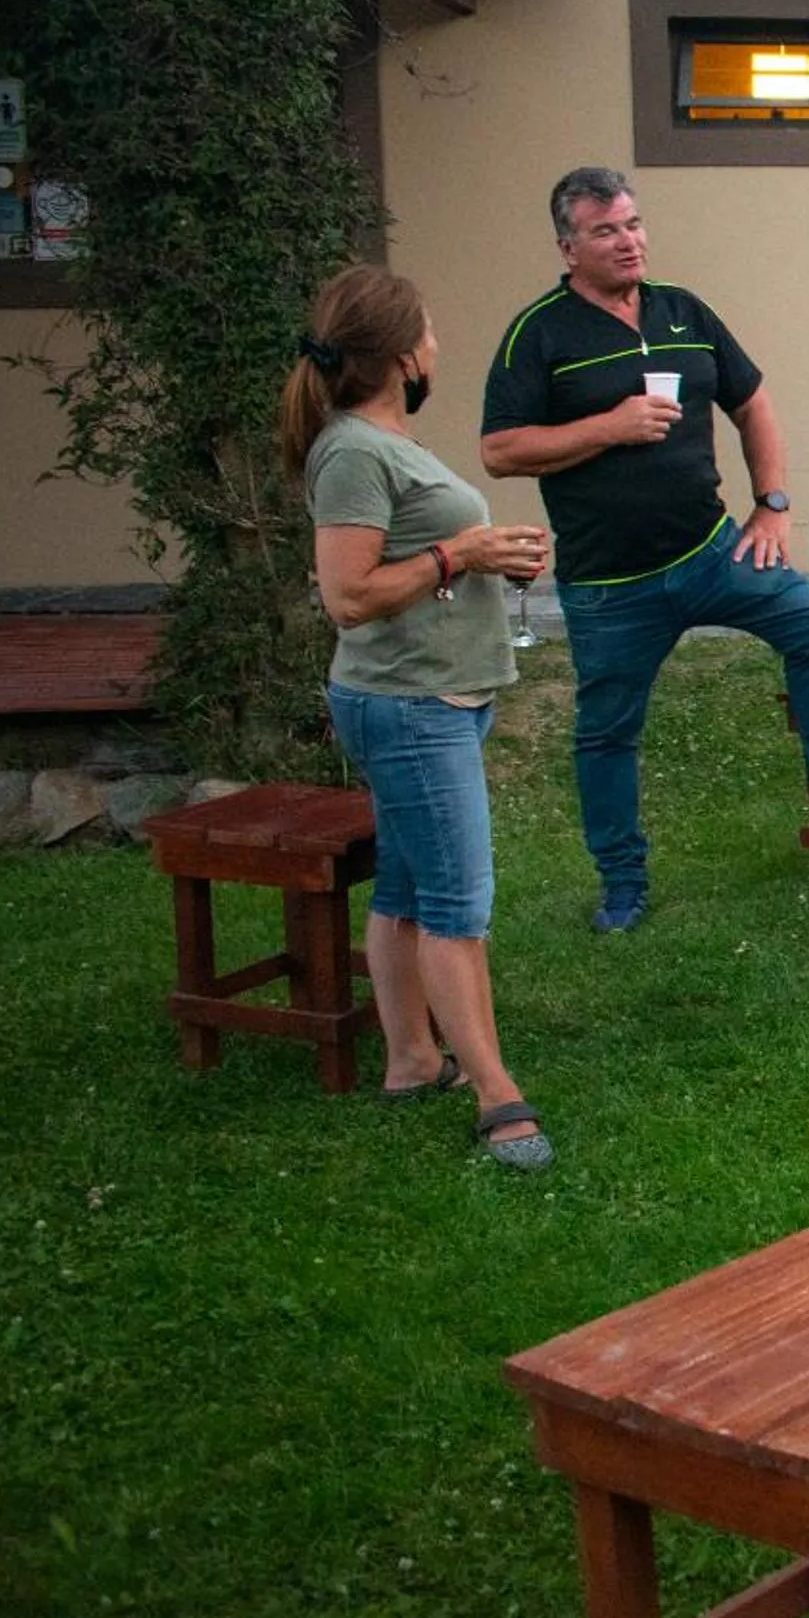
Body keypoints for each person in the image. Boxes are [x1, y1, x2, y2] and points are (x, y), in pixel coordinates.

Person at [480, 167, 809, 933]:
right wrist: (608, 426)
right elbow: (501, 450)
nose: (628, 241)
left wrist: (771, 505)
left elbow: (753, 401)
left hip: (710, 555)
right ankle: (622, 883)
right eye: (606, 230)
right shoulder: (538, 334)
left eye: (634, 224)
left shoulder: (683, 311)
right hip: (610, 586)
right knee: (607, 732)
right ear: (568, 246)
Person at [280, 265, 555, 1170]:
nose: (439, 342)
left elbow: (415, 559)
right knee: (455, 907)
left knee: (404, 889)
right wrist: (460, 551)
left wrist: (483, 560)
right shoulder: (355, 451)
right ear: (403, 355)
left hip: (439, 697)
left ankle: (409, 1060)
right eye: (429, 330)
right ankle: (495, 1096)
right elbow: (348, 596)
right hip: (409, 707)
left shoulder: (385, 440)